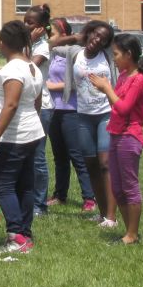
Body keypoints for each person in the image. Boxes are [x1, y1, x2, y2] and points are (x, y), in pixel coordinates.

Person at [88, 32, 143, 245]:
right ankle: (129, 232)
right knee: (117, 187)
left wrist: (107, 88)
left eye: (116, 54)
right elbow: (116, 105)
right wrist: (106, 89)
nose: (114, 58)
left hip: (129, 137)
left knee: (129, 186)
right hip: (116, 134)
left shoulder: (139, 79)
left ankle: (132, 235)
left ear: (129, 54)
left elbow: (124, 108)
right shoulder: (125, 76)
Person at [0, 20, 45, 256]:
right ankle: (25, 234)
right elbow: (36, 102)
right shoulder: (32, 67)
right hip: (31, 132)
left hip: (14, 137)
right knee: (24, 185)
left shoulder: (13, 70)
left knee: (4, 185)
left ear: (3, 43)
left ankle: (16, 235)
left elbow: (10, 104)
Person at [50, 21, 117, 225]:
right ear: (89, 33)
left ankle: (112, 217)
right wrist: (76, 37)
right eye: (95, 35)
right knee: (91, 165)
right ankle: (102, 212)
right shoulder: (74, 52)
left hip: (105, 114)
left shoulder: (107, 56)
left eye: (102, 39)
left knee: (105, 164)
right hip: (83, 115)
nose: (97, 40)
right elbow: (51, 45)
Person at [44, 17, 94, 209]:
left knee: (77, 155)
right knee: (59, 156)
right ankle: (60, 194)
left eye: (53, 34)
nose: (50, 38)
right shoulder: (52, 54)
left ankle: (89, 197)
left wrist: (49, 86)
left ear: (64, 36)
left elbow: (76, 83)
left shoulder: (74, 53)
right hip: (53, 110)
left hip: (70, 110)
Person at [23, 4, 54, 216]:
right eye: (24, 21)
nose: (26, 25)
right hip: (28, 104)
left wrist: (31, 41)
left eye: (30, 23)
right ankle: (28, 198)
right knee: (26, 155)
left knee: (38, 156)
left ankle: (39, 204)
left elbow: (27, 67)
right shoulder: (28, 45)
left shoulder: (42, 47)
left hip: (42, 107)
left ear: (41, 27)